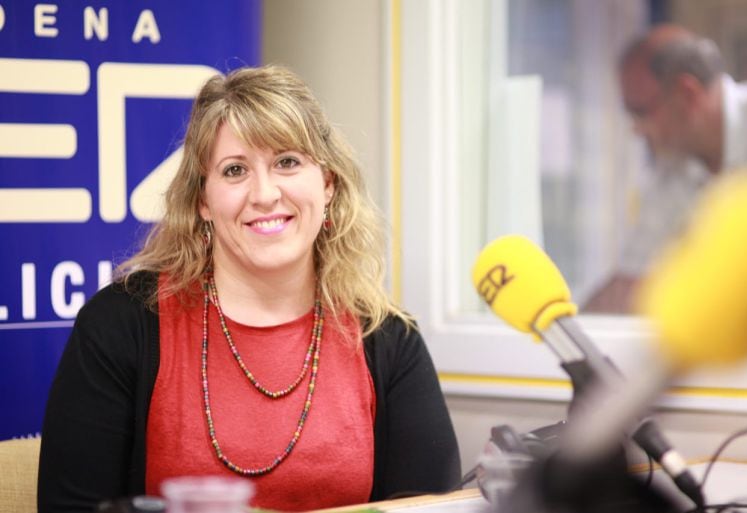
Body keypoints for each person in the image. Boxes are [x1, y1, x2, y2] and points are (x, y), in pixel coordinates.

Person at [37, 64, 461, 512]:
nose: (264, 194)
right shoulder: (121, 323)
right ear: (203, 200)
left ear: (328, 184)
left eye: (287, 162)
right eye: (235, 170)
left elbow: (431, 507)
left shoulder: (388, 337)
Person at [584, 23, 747, 313]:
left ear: (688, 94)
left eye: (641, 111)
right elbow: (631, 285)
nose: (636, 129)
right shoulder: (668, 173)